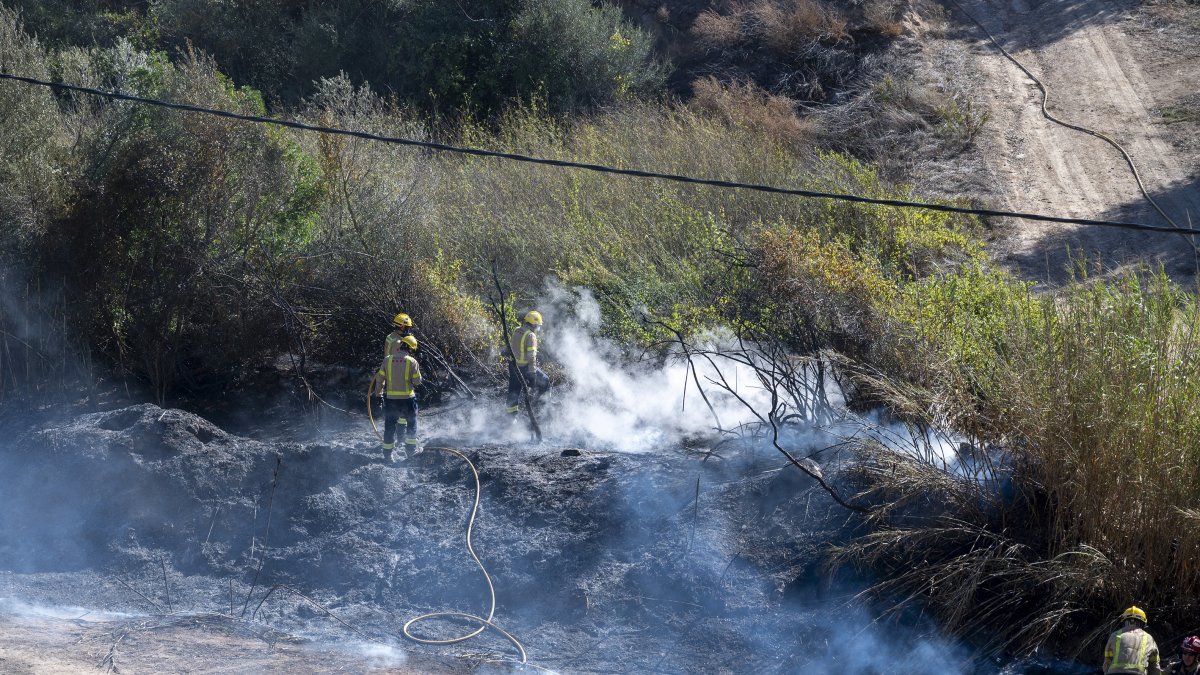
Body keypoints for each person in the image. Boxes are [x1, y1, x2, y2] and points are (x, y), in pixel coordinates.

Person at [372, 335, 422, 462]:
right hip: (408, 400)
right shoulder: (412, 362)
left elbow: (380, 379)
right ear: (410, 349)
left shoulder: (387, 360)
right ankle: (411, 452)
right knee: (411, 424)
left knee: (389, 427)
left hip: (391, 400)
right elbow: (417, 382)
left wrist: (379, 395)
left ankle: (388, 455)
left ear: (400, 346)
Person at [505, 310, 550, 415]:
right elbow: (532, 356)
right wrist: (533, 373)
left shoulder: (517, 330)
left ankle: (510, 418)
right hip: (524, 368)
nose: (538, 328)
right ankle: (543, 409)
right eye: (538, 325)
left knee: (513, 392)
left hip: (513, 366)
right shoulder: (531, 336)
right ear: (534, 324)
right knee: (545, 381)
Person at [1104, 606, 1161, 675]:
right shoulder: (1148, 638)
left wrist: (1107, 672)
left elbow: (1107, 660)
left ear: (1124, 621)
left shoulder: (1114, 635)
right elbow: (1154, 665)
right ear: (1143, 623)